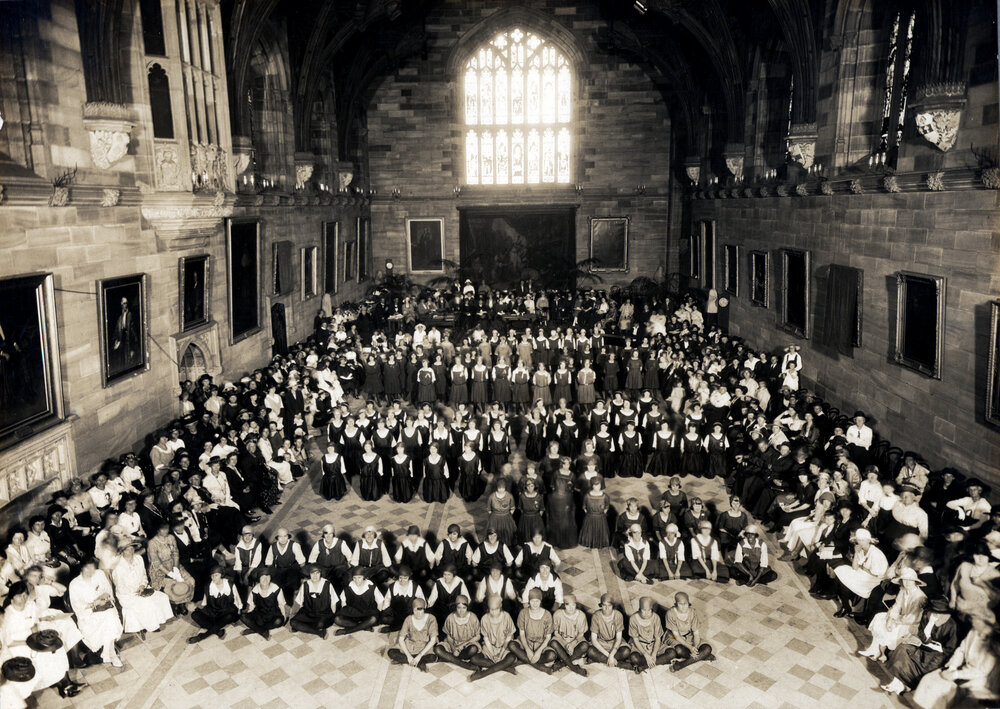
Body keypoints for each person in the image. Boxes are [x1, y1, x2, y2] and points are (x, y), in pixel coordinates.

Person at [911, 615, 998, 708]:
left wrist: (955, 674)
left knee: (944, 689)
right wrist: (952, 667)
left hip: (979, 679)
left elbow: (981, 671)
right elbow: (961, 650)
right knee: (931, 678)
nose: (972, 620)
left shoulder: (993, 641)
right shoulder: (973, 632)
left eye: (975, 618)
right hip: (962, 670)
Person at [881, 597, 960, 695]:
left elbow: (950, 649)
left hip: (938, 654)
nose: (935, 614)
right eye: (933, 611)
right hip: (923, 646)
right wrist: (922, 640)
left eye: (938, 612)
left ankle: (907, 685)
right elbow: (921, 631)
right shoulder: (927, 614)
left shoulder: (951, 625)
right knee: (902, 648)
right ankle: (897, 682)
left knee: (927, 663)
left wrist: (936, 647)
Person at [859, 567, 927, 661]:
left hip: (911, 625)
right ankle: (875, 650)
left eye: (909, 580)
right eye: (904, 580)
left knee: (888, 628)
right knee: (879, 617)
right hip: (900, 619)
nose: (906, 582)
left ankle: (880, 652)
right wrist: (890, 619)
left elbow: (911, 619)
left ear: (915, 581)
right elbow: (896, 606)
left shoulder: (920, 597)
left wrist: (895, 620)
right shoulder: (903, 590)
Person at [67, 558, 123, 667]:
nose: (92, 571)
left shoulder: (99, 574)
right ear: (82, 568)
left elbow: (108, 591)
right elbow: (77, 606)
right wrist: (94, 604)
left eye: (93, 568)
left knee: (110, 615)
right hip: (88, 615)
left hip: (105, 608)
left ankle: (109, 653)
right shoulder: (74, 584)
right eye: (89, 568)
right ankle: (111, 654)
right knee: (110, 618)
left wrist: (104, 597)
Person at [111, 541, 173, 637]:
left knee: (162, 597)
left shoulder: (139, 559)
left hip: (142, 589)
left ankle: (156, 620)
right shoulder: (118, 567)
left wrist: (142, 586)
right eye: (127, 549)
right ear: (122, 551)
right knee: (145, 603)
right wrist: (136, 591)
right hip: (127, 595)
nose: (131, 550)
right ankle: (150, 625)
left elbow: (144, 575)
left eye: (132, 548)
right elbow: (121, 587)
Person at [832, 528, 888, 618]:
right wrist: (856, 553)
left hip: (873, 579)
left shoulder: (876, 554)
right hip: (863, 573)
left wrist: (862, 568)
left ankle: (846, 606)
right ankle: (846, 604)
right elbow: (855, 567)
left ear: (868, 540)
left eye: (863, 540)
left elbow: (876, 574)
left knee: (845, 581)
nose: (860, 542)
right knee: (840, 571)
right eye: (858, 540)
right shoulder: (861, 549)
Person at [468, 595, 518, 681]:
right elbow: (486, 639)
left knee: (511, 658)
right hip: (490, 648)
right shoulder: (484, 619)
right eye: (492, 610)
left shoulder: (506, 616)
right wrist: (493, 654)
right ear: (488, 609)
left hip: (504, 647)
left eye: (496, 609)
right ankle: (505, 667)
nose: (494, 612)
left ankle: (483, 673)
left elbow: (508, 638)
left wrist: (501, 653)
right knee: (474, 659)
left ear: (500, 607)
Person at [187, 566, 242, 643]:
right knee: (194, 614)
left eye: (216, 575)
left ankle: (202, 636)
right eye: (212, 575)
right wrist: (196, 608)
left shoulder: (229, 584)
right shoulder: (208, 586)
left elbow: (237, 598)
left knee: (229, 616)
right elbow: (204, 602)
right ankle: (217, 631)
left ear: (221, 575)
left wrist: (239, 609)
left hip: (225, 612)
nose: (213, 577)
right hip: (213, 611)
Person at [663, 591, 714, 672]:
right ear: (676, 604)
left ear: (688, 603)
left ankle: (680, 665)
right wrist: (690, 648)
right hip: (674, 638)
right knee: (679, 650)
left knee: (707, 648)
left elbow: (696, 634)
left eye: (685, 604)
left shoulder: (692, 612)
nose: (684, 607)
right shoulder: (670, 613)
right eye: (680, 604)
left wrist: (695, 648)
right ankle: (703, 656)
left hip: (689, 637)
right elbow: (676, 636)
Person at [387, 598, 439, 669]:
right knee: (391, 652)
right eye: (415, 610)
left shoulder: (431, 618)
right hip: (410, 646)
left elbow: (433, 640)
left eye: (420, 611)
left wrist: (420, 655)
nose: (418, 614)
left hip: (424, 648)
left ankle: (407, 660)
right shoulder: (408, 619)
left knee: (432, 657)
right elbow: (401, 639)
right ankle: (418, 663)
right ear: (413, 609)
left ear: (424, 609)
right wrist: (408, 656)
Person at [289, 565, 338, 638]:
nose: (315, 576)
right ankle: (319, 632)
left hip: (323, 613)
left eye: (317, 573)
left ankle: (304, 627)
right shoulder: (305, 585)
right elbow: (299, 602)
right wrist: (298, 615)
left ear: (320, 574)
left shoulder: (327, 584)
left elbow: (334, 601)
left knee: (320, 624)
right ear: (309, 574)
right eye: (312, 573)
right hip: (308, 612)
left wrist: (332, 616)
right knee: (293, 622)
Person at [435, 594, 481, 670]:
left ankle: (450, 659)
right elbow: (448, 636)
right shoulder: (450, 617)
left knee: (473, 649)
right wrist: (453, 649)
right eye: (459, 607)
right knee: (437, 649)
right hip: (453, 644)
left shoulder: (473, 617)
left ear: (467, 607)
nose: (461, 611)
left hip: (467, 644)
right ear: (455, 607)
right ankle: (466, 665)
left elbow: (477, 636)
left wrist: (461, 647)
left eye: (464, 608)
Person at [334, 567, 384, 635]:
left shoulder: (372, 587)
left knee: (373, 619)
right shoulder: (349, 587)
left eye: (359, 577)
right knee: (337, 619)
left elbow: (380, 601)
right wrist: (346, 611)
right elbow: (343, 601)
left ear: (364, 577)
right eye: (354, 578)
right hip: (353, 613)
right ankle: (365, 626)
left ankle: (347, 631)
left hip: (367, 612)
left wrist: (378, 613)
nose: (357, 580)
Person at [628, 596, 672, 672]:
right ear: (639, 610)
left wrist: (654, 654)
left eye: (649, 610)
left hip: (654, 644)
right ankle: (657, 662)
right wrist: (646, 655)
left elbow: (658, 638)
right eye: (644, 610)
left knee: (672, 653)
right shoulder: (633, 618)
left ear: (652, 610)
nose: (646, 613)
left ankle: (643, 667)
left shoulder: (656, 618)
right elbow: (635, 640)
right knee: (634, 658)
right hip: (640, 646)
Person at [587, 593, 631, 669]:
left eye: (609, 605)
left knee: (626, 651)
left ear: (613, 606)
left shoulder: (618, 615)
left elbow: (618, 639)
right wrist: (609, 656)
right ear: (601, 605)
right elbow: (594, 640)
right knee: (590, 651)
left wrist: (612, 654)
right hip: (600, 642)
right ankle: (618, 663)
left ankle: (598, 660)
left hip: (614, 642)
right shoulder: (596, 616)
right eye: (604, 605)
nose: (607, 608)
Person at [549, 593, 589, 675]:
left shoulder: (581, 615)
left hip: (575, 640)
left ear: (576, 605)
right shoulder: (558, 614)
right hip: (562, 640)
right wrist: (566, 644)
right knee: (553, 643)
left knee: (585, 645)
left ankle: (562, 663)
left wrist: (572, 644)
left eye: (573, 605)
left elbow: (581, 634)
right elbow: (556, 632)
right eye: (568, 605)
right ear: (564, 605)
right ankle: (573, 667)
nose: (571, 608)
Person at [241, 569, 287, 639]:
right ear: (259, 579)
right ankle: (263, 631)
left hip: (273, 613)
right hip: (260, 614)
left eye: (267, 577)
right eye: (262, 577)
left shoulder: (276, 589)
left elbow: (281, 604)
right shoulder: (255, 590)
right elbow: (252, 606)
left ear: (270, 578)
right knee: (243, 616)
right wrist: (250, 618)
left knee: (278, 621)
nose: (265, 580)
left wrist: (284, 616)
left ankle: (255, 629)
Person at [579, 476, 611, 548]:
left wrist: (602, 513)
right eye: (595, 485)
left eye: (599, 485)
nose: (597, 487)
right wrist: (589, 513)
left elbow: (607, 506)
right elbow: (584, 506)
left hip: (600, 518)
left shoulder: (605, 496)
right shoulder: (587, 496)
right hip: (590, 517)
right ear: (592, 485)